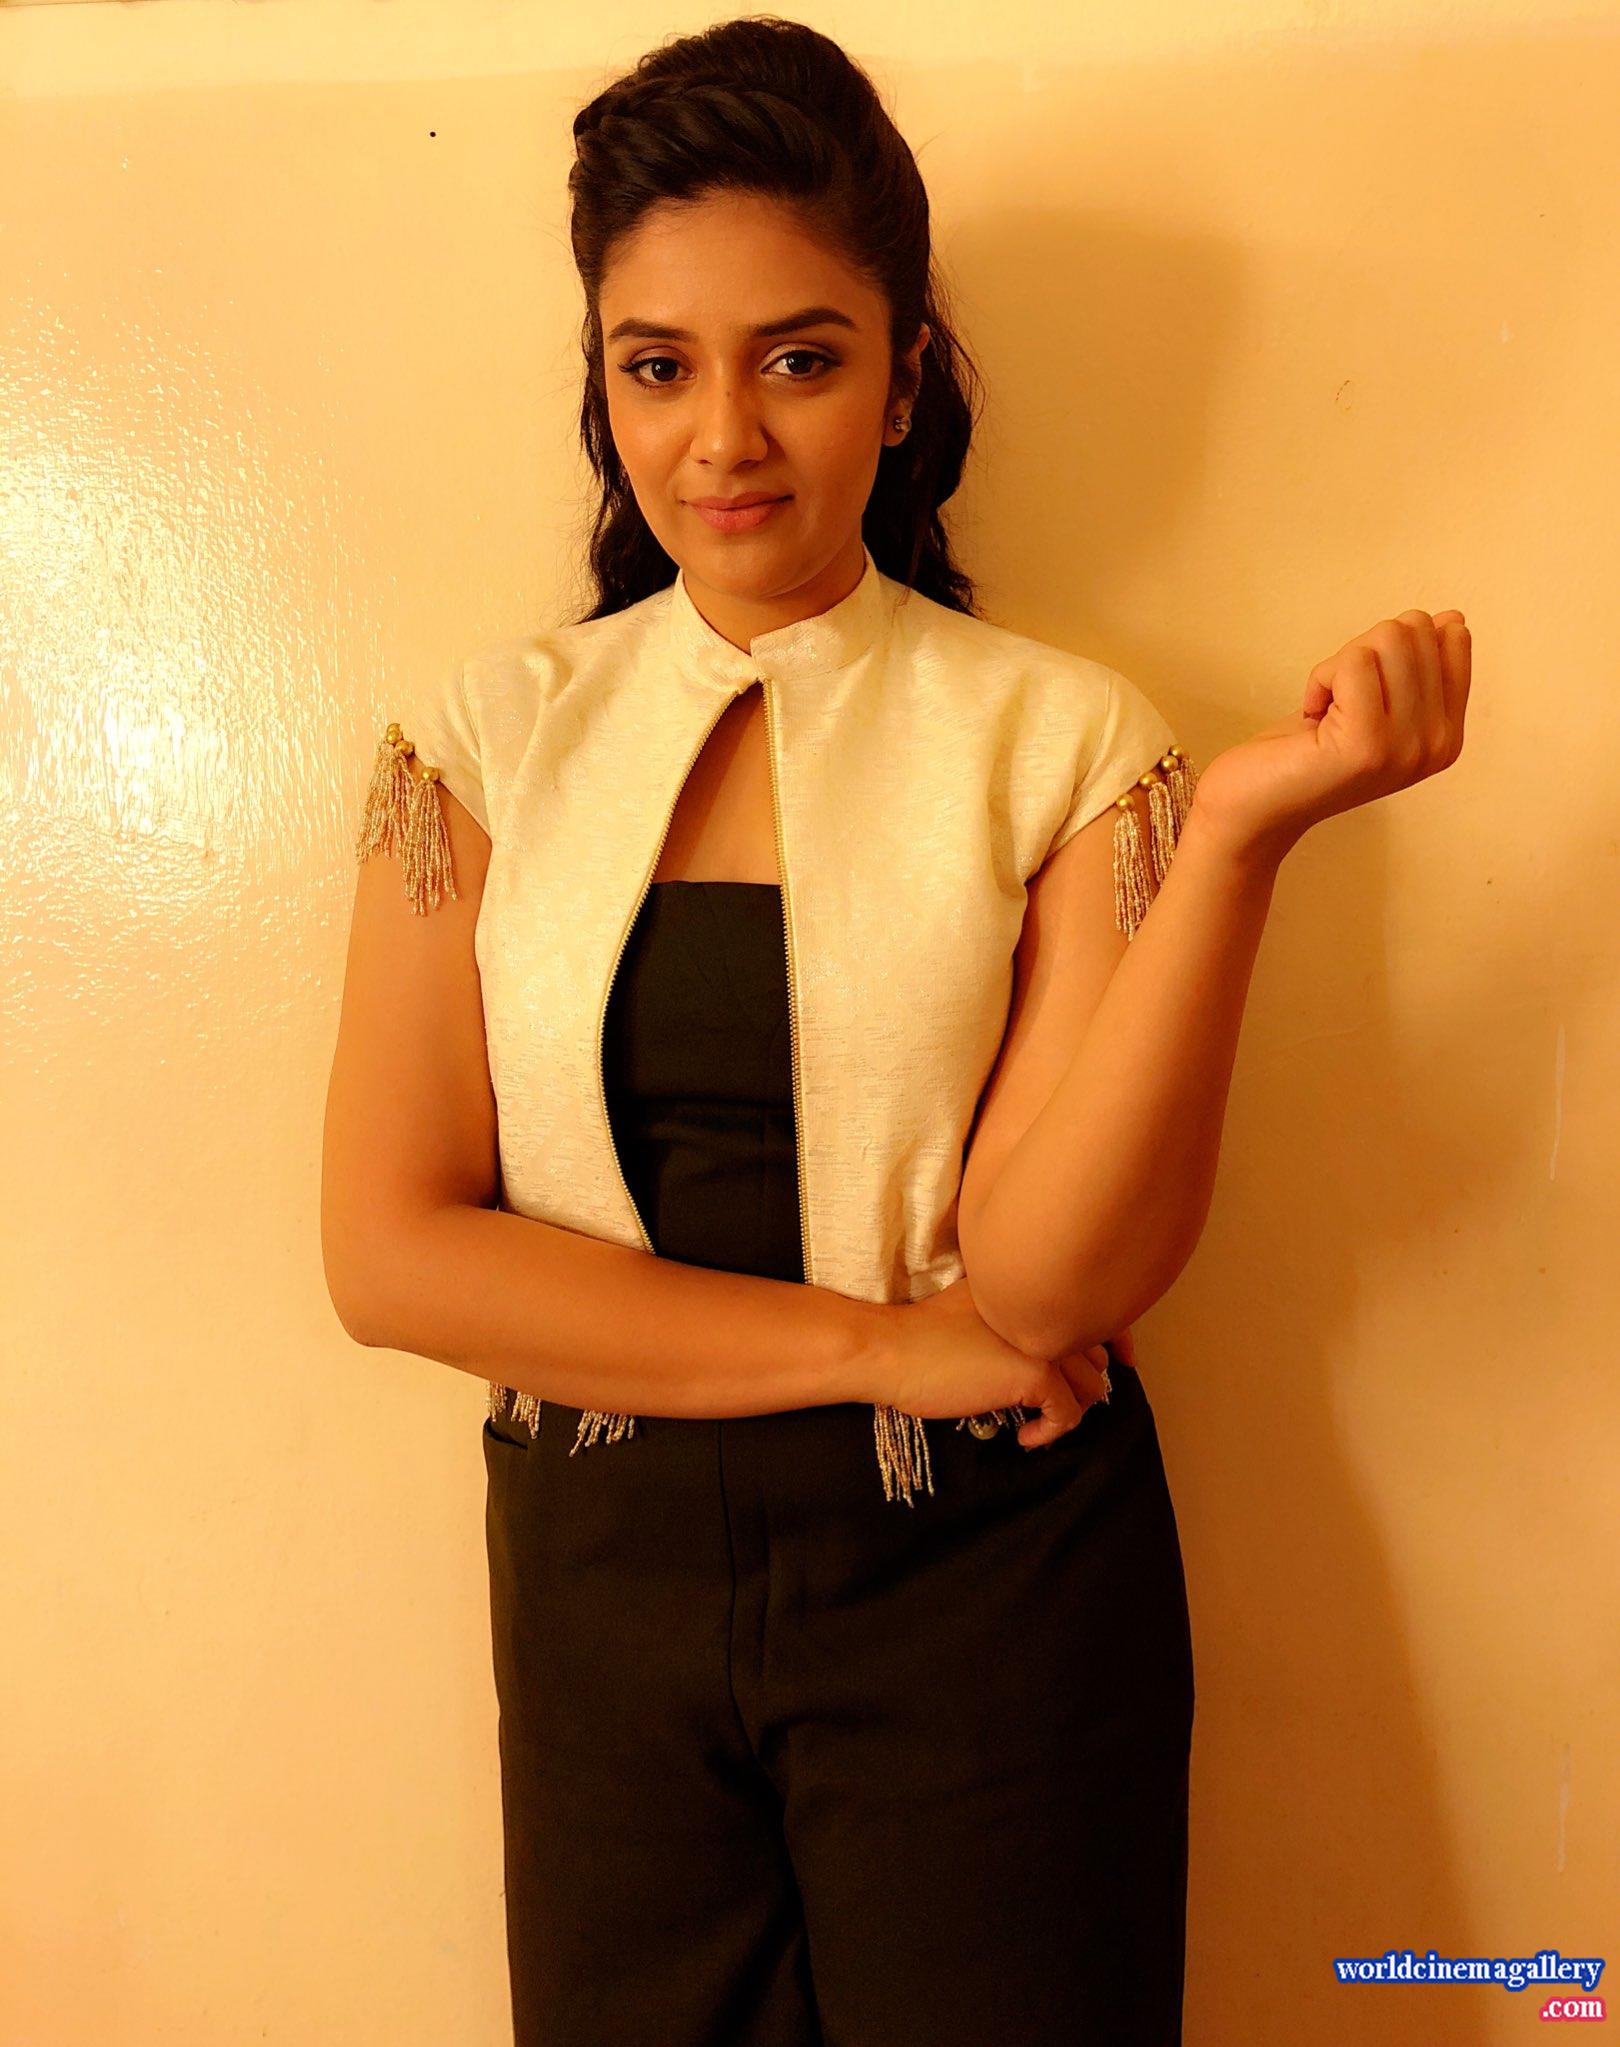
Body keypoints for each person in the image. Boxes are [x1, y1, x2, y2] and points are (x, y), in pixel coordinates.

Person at [321, 20, 1470, 2046]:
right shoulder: (485, 744)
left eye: (800, 357)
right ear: (600, 381)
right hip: (598, 1593)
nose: (723, 437)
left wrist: (1237, 842)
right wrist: (878, 1345)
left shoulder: (1067, 742)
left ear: (907, 375)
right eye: (655, 366)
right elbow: (391, 1255)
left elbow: (1049, 1282)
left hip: (988, 1585)